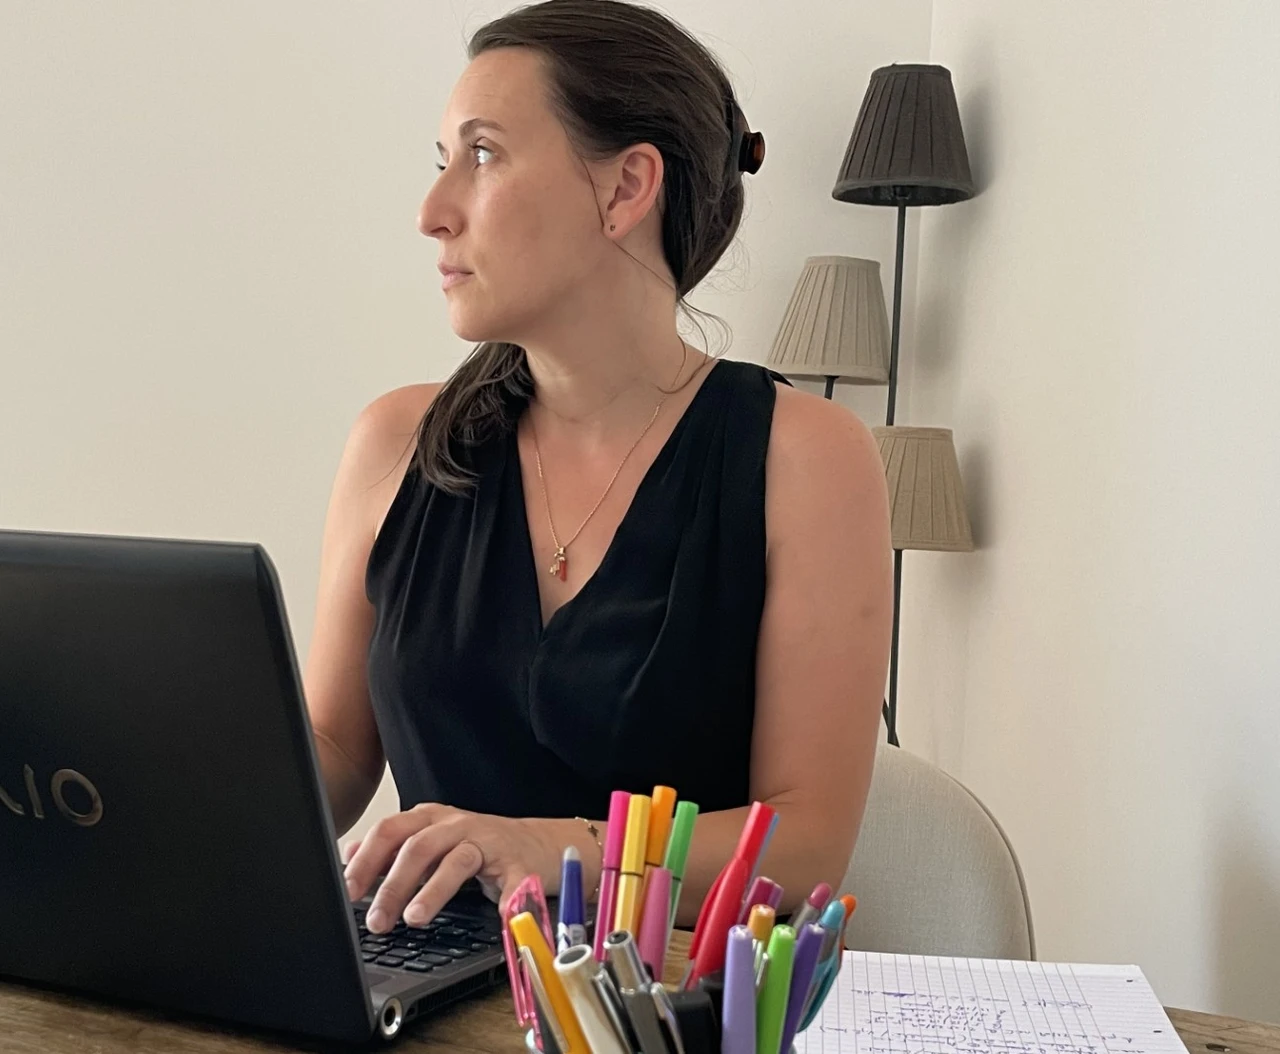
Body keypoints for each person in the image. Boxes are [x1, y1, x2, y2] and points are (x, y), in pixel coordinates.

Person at [305, 0, 893, 937]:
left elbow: (806, 844)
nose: (432, 213)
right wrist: (160, 780)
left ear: (625, 189)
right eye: (441, 160)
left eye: (482, 154)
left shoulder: (807, 458)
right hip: (414, 988)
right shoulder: (393, 442)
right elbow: (334, 751)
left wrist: (555, 850)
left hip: (659, 998)